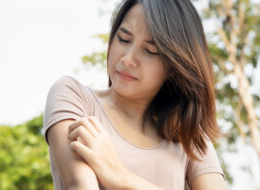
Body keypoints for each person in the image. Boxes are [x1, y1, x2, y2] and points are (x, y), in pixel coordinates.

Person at [43, 0, 228, 189]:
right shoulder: (75, 97)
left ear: (174, 66)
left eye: (150, 50)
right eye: (124, 39)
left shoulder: (189, 138)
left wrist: (120, 176)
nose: (128, 59)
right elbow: (79, 184)